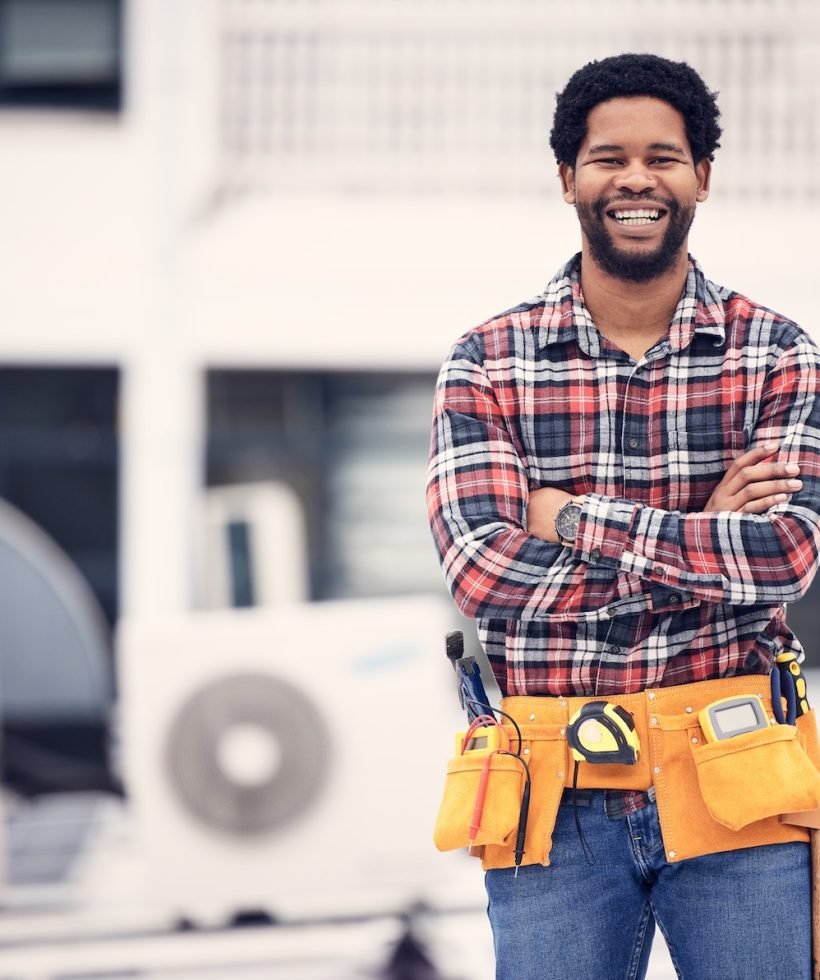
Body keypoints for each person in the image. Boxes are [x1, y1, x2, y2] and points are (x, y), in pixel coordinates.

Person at [426, 53, 820, 980]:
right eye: (608, 158)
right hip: (549, 791)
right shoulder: (488, 360)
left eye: (664, 156)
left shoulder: (775, 354)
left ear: (702, 178)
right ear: (568, 177)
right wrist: (702, 535)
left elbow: (787, 555)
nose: (636, 178)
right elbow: (484, 576)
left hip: (737, 777)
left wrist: (567, 518)